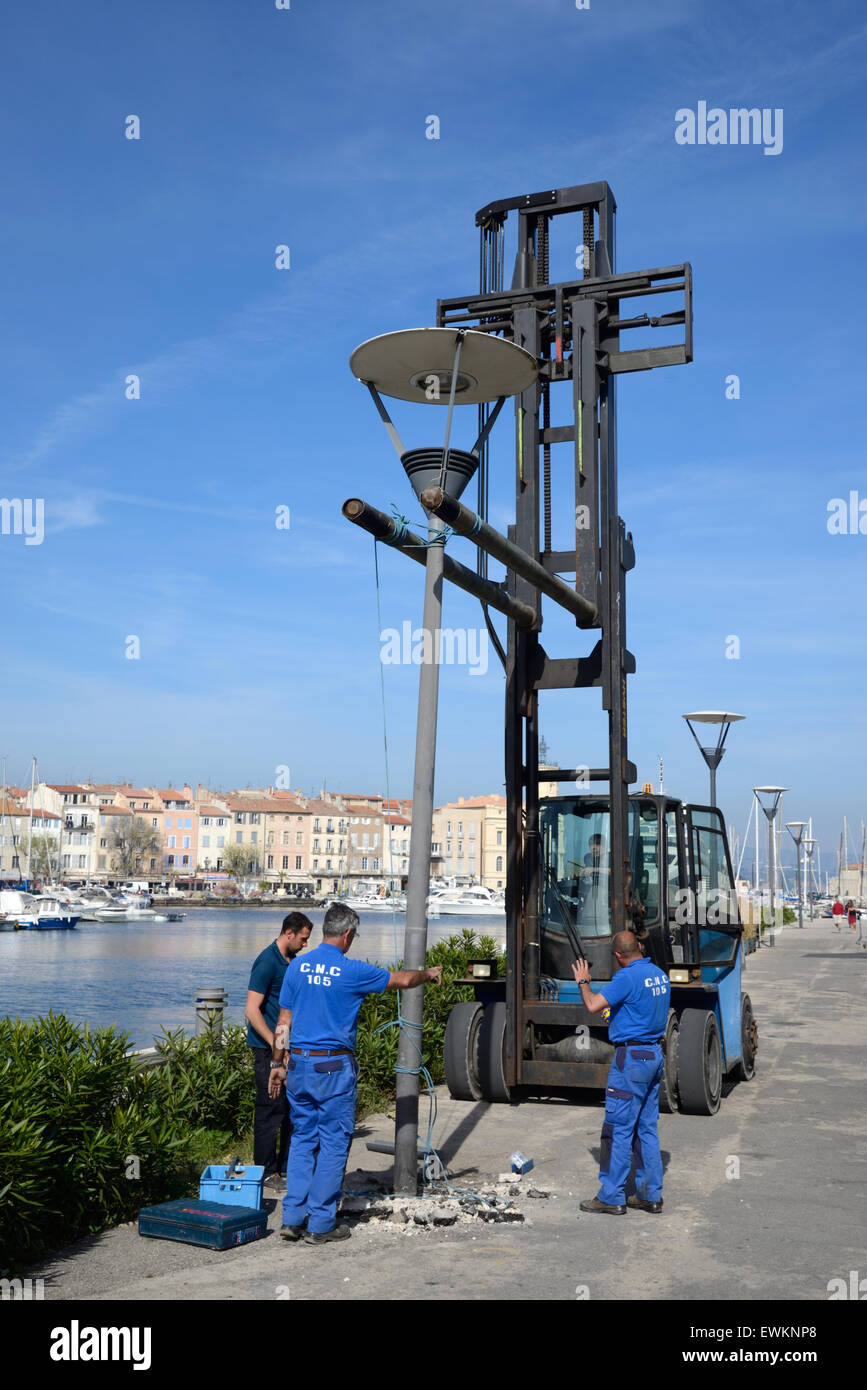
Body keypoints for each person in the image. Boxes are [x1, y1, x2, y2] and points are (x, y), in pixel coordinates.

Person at [268, 901, 442, 1244]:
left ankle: (291, 1218)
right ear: (347, 934)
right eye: (355, 935)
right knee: (333, 1143)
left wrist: (277, 1064)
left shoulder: (296, 968)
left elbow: (283, 1022)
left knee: (302, 1140)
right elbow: (404, 979)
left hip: (298, 1064)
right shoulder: (352, 971)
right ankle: (320, 1225)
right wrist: (429, 974)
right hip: (333, 1068)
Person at [571, 929, 670, 1215]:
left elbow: (592, 1006)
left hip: (631, 1060)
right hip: (654, 1054)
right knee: (647, 1128)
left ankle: (611, 1196)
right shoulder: (659, 975)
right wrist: (615, 1015)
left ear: (617, 955)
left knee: (617, 1129)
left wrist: (583, 982)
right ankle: (650, 1195)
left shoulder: (625, 978)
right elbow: (637, 1011)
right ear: (639, 946)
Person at [245, 912, 312, 1191]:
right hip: (267, 1049)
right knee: (269, 1109)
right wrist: (275, 1043)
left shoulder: (292, 963)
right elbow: (251, 1010)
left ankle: (286, 1166)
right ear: (289, 933)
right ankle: (265, 1170)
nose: (306, 944)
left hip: (288, 1049)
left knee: (290, 1110)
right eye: (303, 939)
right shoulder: (266, 961)